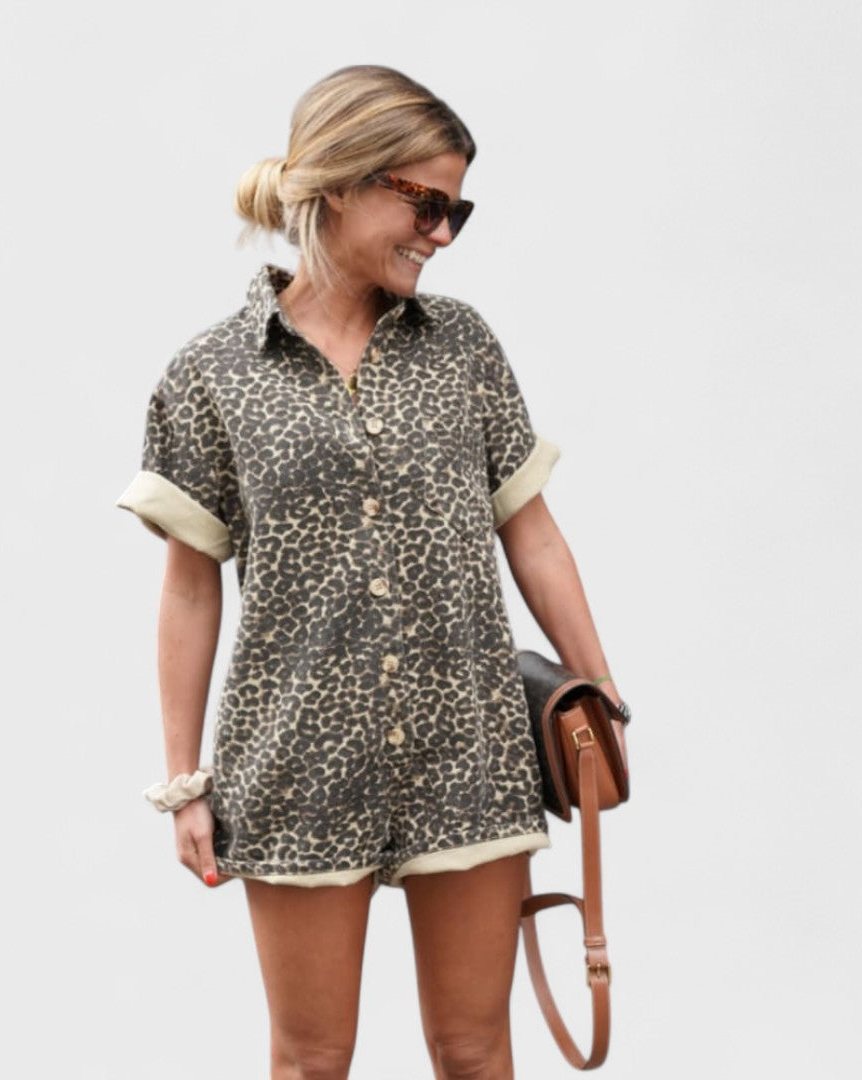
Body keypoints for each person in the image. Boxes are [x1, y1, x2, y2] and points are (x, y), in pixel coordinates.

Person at [116, 63, 630, 1080]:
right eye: (425, 204)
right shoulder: (211, 374)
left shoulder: (464, 347)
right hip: (294, 760)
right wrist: (184, 782)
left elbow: (531, 533)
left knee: (475, 1049)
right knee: (311, 1057)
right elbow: (189, 584)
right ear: (341, 184)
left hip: (471, 750)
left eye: (456, 211)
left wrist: (600, 691)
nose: (441, 235)